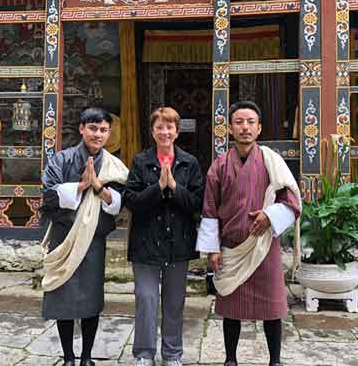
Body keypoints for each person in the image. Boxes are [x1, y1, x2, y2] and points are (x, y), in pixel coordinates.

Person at [196, 101, 301, 366]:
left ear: (259, 127)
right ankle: (230, 359)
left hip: (264, 246)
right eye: (239, 122)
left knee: (272, 309)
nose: (245, 127)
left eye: (250, 122)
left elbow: (291, 201)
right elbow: (209, 209)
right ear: (230, 128)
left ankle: (274, 361)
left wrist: (270, 215)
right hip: (232, 247)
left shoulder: (271, 162)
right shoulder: (219, 166)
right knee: (232, 308)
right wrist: (212, 249)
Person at [40, 108, 129, 366]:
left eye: (103, 130)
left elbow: (119, 204)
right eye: (93, 128)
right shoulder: (61, 160)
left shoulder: (114, 165)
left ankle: (87, 357)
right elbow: (48, 195)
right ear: (81, 129)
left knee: (91, 297)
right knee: (62, 294)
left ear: (109, 133)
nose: (97, 134)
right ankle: (68, 357)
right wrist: (80, 186)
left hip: (93, 239)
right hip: (64, 235)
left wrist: (98, 187)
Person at [123, 107, 204, 366]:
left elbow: (196, 202)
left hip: (177, 241)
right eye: (160, 127)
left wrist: (173, 187)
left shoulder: (189, 163)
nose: (165, 132)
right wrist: (157, 188)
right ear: (152, 131)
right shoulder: (140, 161)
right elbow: (131, 201)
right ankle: (144, 353)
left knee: (174, 301)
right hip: (146, 241)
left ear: (177, 132)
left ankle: (172, 354)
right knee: (146, 299)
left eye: (170, 127)